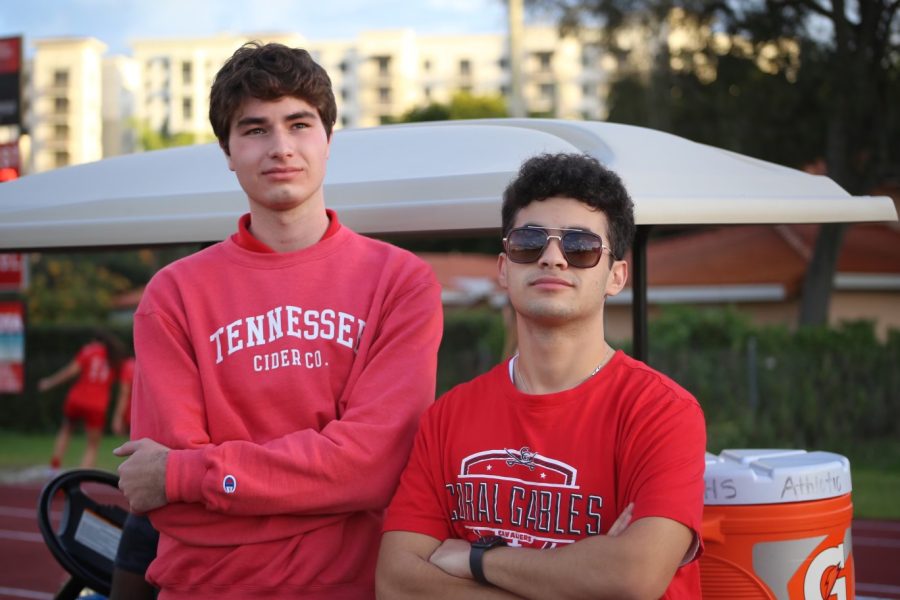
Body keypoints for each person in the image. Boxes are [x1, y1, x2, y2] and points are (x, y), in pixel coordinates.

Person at [113, 42, 443, 599]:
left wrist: (188, 475)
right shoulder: (173, 295)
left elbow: (375, 468)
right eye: (255, 129)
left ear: (329, 139)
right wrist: (327, 490)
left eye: (298, 123)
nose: (281, 148)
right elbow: (174, 514)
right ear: (228, 150)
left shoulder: (401, 282)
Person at [376, 153, 707, 599]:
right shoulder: (448, 416)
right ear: (503, 267)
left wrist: (477, 559)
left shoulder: (662, 412)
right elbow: (397, 583)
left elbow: (632, 577)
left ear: (616, 276)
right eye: (529, 242)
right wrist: (580, 574)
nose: (552, 258)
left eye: (581, 246)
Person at [39, 330, 123, 470]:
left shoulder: (89, 351)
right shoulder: (114, 358)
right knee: (92, 445)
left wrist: (49, 382)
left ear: (96, 341)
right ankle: (82, 477)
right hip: (98, 404)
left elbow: (71, 371)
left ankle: (54, 467)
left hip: (77, 399)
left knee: (66, 431)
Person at [110, 354, 135, 437]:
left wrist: (117, 418)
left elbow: (124, 394)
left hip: (132, 413)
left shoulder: (127, 367)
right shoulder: (137, 364)